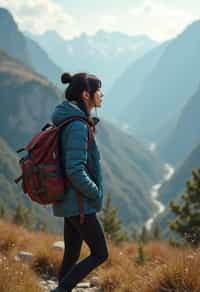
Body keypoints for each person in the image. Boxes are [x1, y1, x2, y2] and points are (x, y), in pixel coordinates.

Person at [50, 72, 109, 292]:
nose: (101, 95)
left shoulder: (72, 120)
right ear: (86, 94)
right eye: (98, 91)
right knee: (100, 253)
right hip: (79, 202)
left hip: (69, 200)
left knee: (72, 252)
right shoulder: (77, 126)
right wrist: (94, 192)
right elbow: (75, 169)